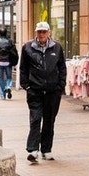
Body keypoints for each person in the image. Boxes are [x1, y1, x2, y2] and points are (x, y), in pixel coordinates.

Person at [19, 20, 66, 163]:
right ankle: (33, 150)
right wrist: (26, 85)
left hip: (52, 91)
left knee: (49, 120)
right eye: (39, 32)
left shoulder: (57, 47)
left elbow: (62, 68)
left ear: (49, 33)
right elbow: (23, 68)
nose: (42, 34)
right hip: (35, 90)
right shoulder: (27, 47)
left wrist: (60, 86)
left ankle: (46, 149)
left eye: (44, 32)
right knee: (35, 119)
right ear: (36, 33)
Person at [0, 32, 18, 99]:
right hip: (8, 62)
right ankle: (8, 86)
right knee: (9, 77)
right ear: (6, 33)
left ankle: (2, 96)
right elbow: (14, 52)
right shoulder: (9, 41)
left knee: (0, 78)